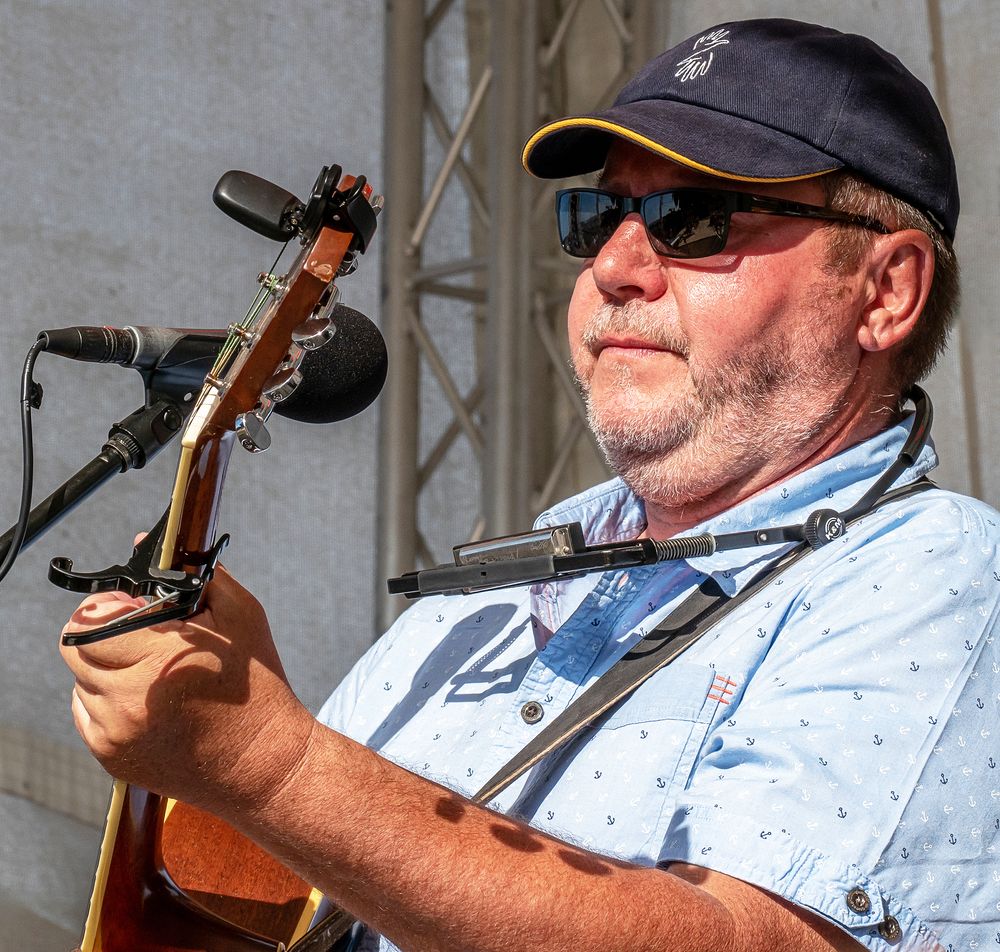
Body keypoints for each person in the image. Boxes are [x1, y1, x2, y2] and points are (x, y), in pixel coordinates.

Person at [61, 18, 998, 952]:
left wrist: (270, 761)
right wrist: (212, 729)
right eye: (598, 218)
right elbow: (259, 901)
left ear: (885, 293)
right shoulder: (514, 579)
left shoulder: (932, 575)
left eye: (693, 217)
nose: (617, 268)